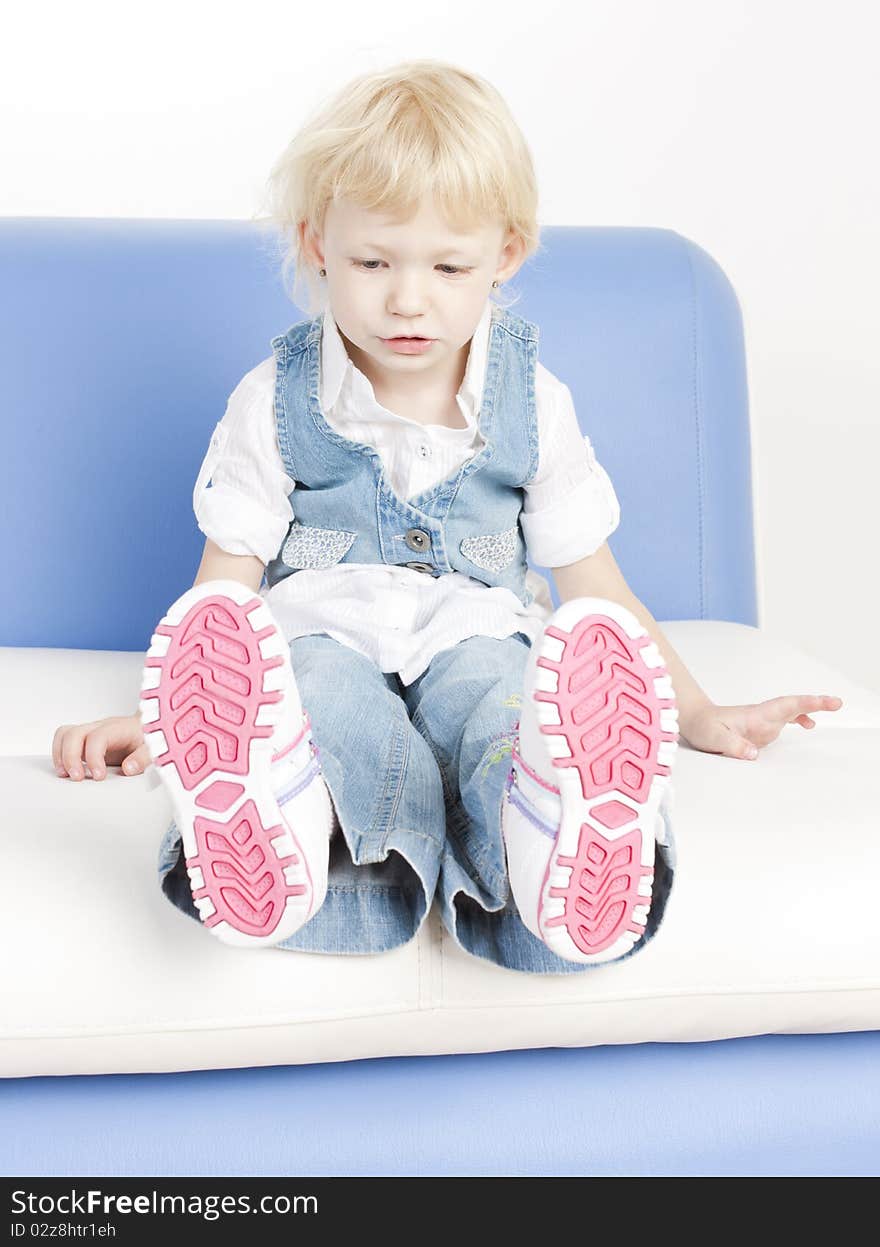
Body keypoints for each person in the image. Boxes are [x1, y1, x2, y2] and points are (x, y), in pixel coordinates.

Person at [51, 59, 843, 974]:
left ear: (504, 256)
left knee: (504, 707)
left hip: (480, 634)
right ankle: (272, 821)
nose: (407, 298)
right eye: (372, 261)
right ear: (317, 245)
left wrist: (694, 712)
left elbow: (596, 590)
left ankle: (554, 829)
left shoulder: (533, 403)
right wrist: (156, 722)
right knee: (325, 709)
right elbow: (220, 605)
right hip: (321, 639)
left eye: (447, 265)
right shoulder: (274, 400)